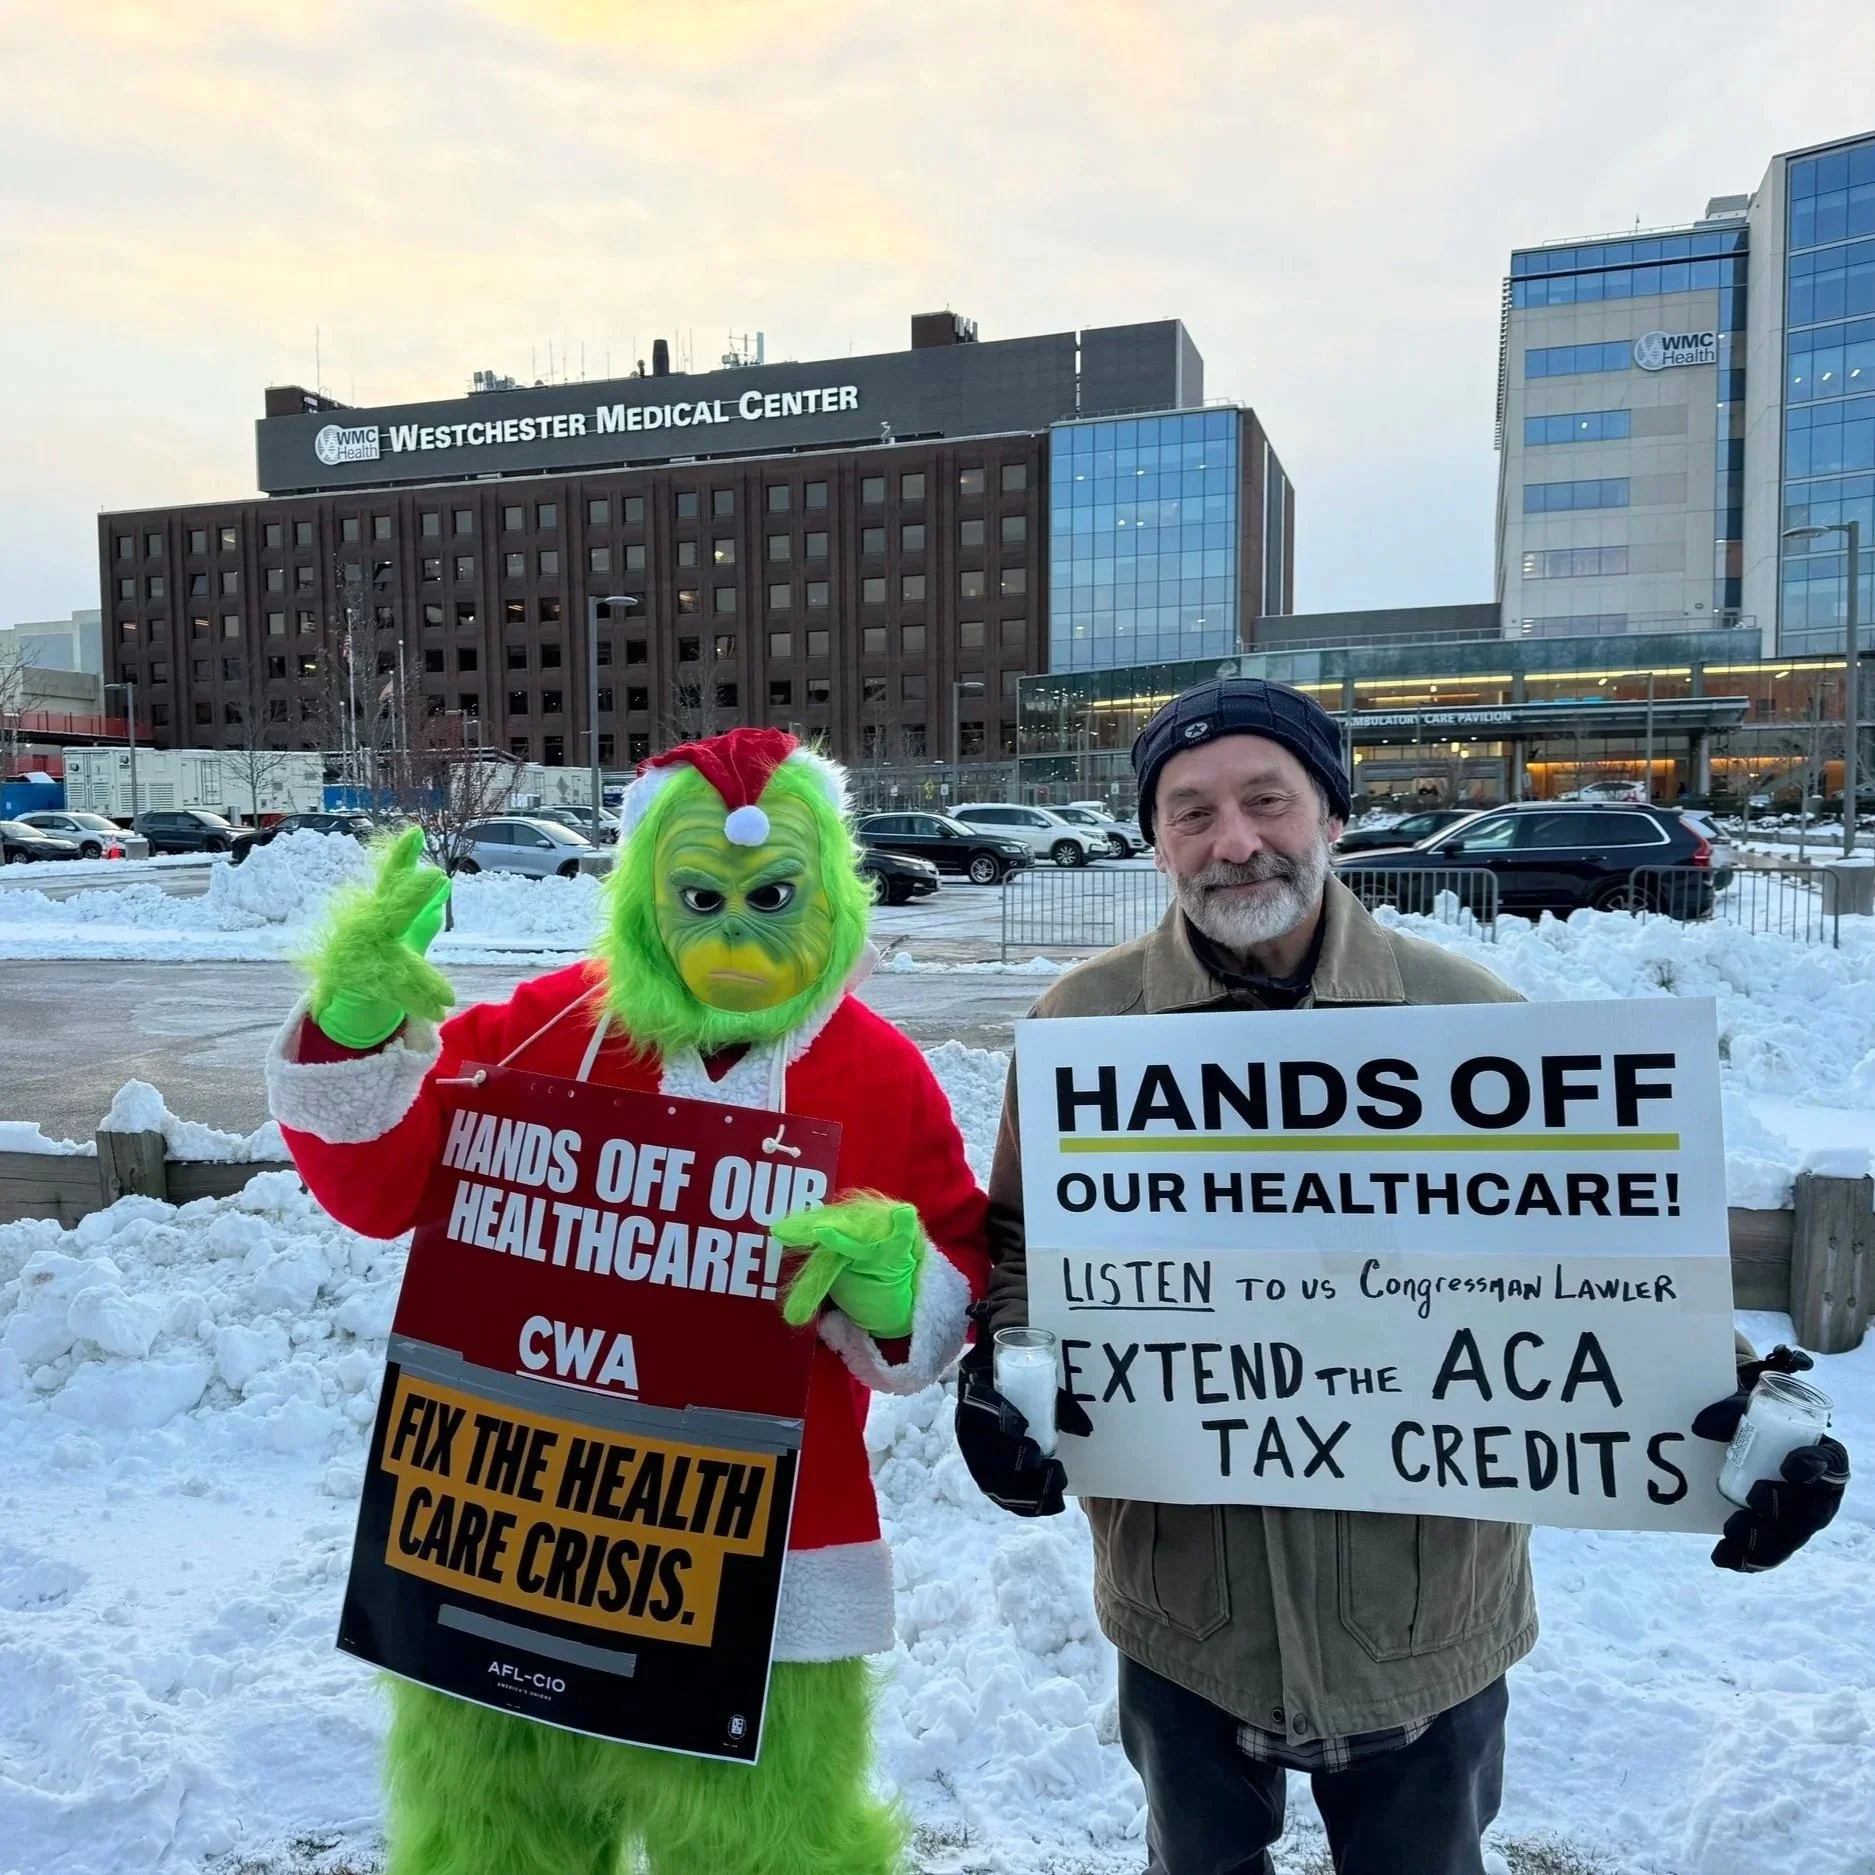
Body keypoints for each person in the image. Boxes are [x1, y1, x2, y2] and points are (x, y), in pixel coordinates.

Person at [955, 678, 1849, 1875]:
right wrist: (1008, 1377)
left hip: (1426, 1611)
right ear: (1154, 838)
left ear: (1332, 814)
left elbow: (1596, 1250)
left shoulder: (1466, 1014)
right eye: (1192, 812)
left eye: (1268, 800)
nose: (1236, 842)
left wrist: (1742, 1409)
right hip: (1186, 1607)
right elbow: (1026, 1249)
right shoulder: (1086, 1025)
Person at [268, 728, 987, 1875]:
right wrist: (356, 1031)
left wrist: (903, 1292)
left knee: (766, 1849)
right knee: (496, 1837)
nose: (735, 932)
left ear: (830, 887)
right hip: (506, 1540)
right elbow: (379, 1181)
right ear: (647, 894)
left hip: (763, 1576)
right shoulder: (552, 1029)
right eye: (699, 896)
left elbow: (955, 1274)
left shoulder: (879, 1073)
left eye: (773, 895)